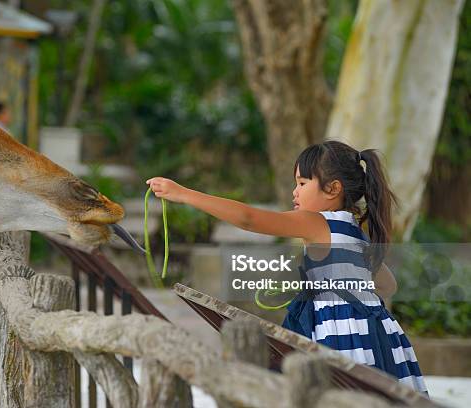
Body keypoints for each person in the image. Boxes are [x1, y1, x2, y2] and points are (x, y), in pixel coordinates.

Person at [146, 140, 428, 395]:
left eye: (302, 183)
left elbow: (249, 219)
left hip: (341, 334)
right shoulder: (354, 233)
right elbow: (389, 285)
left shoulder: (316, 221)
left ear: (333, 189)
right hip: (376, 334)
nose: (295, 192)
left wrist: (183, 194)